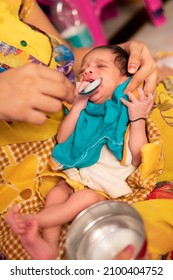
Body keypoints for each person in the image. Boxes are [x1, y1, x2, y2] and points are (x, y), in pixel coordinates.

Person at [0, 0, 159, 260]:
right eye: (86, 70)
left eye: (99, 68)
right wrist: (77, 107)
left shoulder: (125, 104)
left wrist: (138, 117)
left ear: (125, 79)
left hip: (97, 184)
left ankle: (33, 220)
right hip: (74, 172)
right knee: (55, 195)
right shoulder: (81, 109)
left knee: (81, 199)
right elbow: (63, 140)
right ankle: (48, 246)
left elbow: (70, 55)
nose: (87, 72)